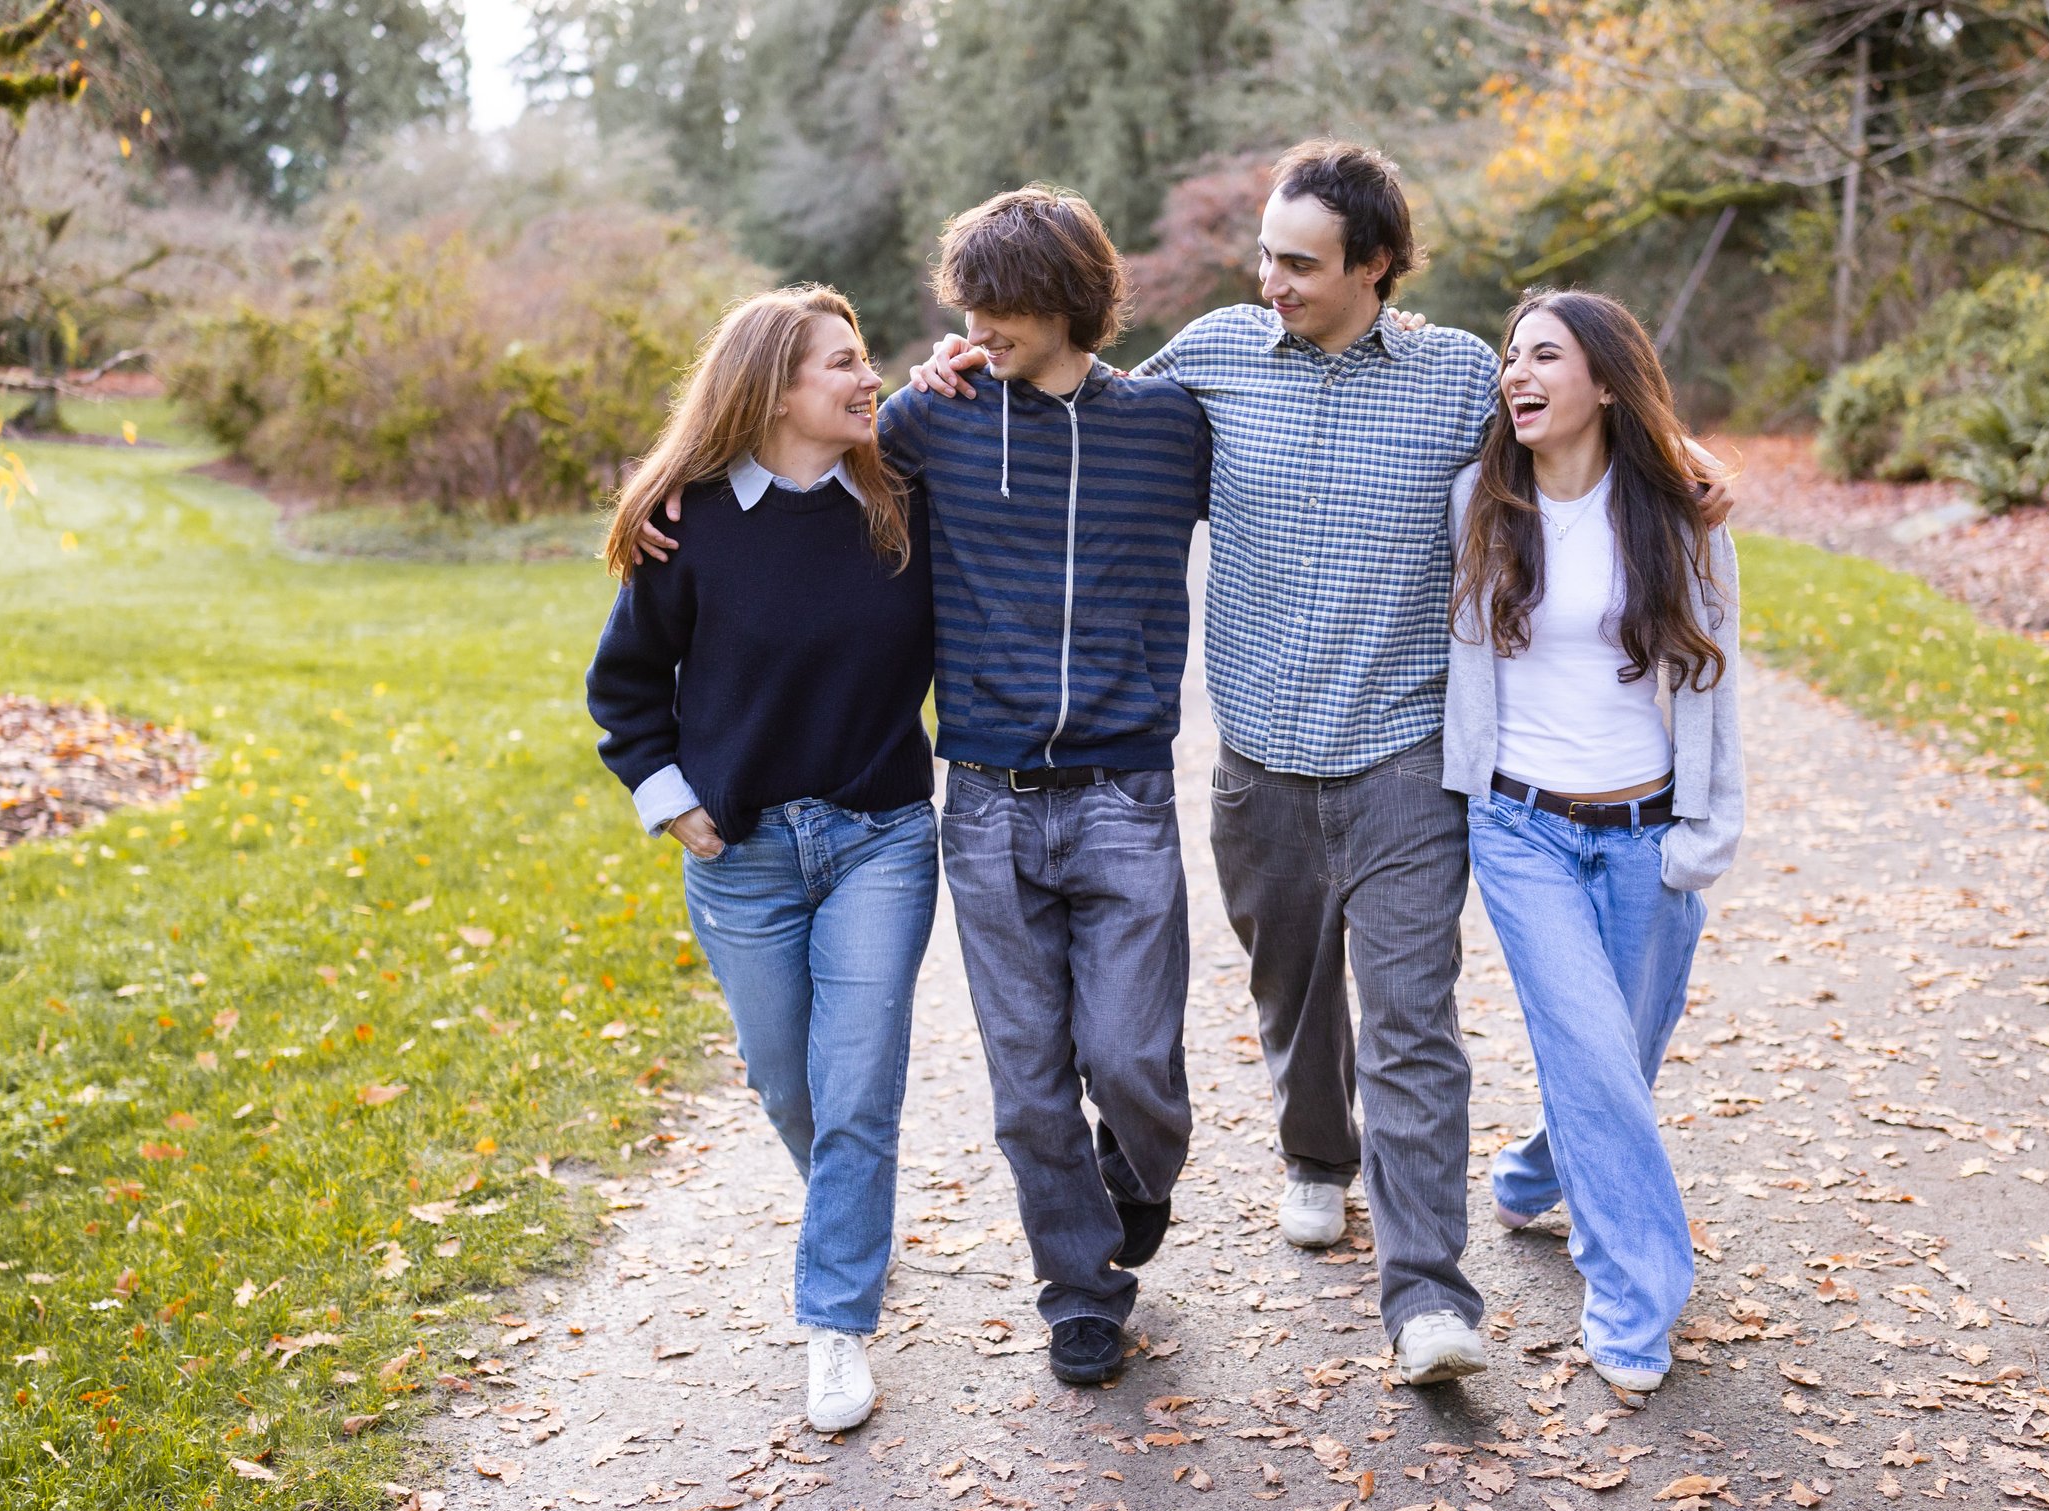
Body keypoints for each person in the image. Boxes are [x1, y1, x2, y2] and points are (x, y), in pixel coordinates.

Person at [916, 140, 1733, 1385]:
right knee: (1293, 997)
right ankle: (1314, 1155)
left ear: (1377, 266)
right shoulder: (1213, 363)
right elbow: (1094, 408)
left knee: (1411, 1027)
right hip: (1258, 764)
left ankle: (1425, 1296)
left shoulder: (1463, 375)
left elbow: (1571, 452)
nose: (1271, 280)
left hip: (1405, 758)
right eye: (1263, 255)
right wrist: (974, 352)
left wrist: (1681, 469)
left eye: (1299, 262)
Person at [635, 190, 1211, 1389]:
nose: (971, 322)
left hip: (1124, 792)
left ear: (1065, 299)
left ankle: (1141, 1170)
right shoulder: (931, 422)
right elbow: (783, 458)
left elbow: (1292, 492)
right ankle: (1079, 1294)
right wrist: (663, 499)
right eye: (965, 304)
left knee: (1133, 1061)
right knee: (1028, 1080)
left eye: (995, 304)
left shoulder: (1167, 425)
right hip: (988, 797)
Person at [586, 284, 936, 1435]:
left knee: (857, 1084)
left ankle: (834, 1322)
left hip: (881, 836)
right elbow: (623, 691)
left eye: (864, 353)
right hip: (741, 855)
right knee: (789, 1084)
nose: (864, 376)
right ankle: (851, 1213)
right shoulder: (687, 523)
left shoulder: (901, 502)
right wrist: (669, 800)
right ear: (773, 388)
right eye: (840, 362)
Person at [1444, 288, 1744, 1395]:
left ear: (1605, 380)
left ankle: (1531, 1173)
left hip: (1643, 836)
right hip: (1519, 827)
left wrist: (1701, 839)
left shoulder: (1677, 515)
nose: (1516, 374)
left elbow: (1714, 688)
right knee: (1588, 1049)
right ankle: (1633, 1293)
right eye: (1509, 358)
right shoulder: (1477, 497)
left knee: (1618, 1060)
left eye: (1545, 357)